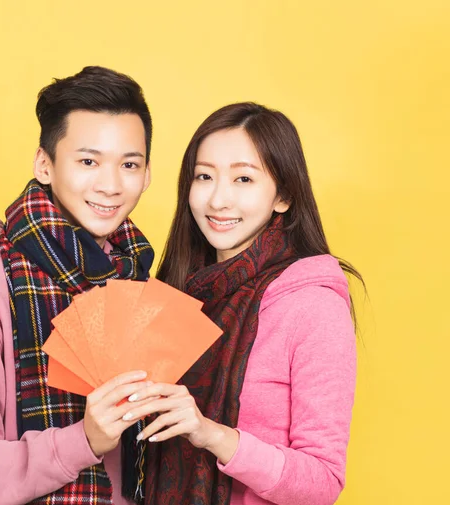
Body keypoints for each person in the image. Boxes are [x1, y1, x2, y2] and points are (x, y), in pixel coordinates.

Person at [0, 66, 156, 505]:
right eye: (88, 161)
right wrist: (82, 440)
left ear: (147, 175)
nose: (110, 185)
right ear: (44, 165)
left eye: (129, 164)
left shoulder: (136, 280)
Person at [122, 102, 361, 505]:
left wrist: (212, 434)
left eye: (244, 179)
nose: (219, 200)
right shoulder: (174, 294)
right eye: (204, 176)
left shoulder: (312, 306)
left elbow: (322, 480)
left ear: (283, 195)